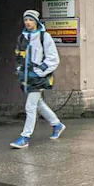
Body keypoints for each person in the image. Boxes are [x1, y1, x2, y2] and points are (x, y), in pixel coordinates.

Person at [11, 10, 65, 149]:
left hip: (39, 78)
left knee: (30, 106)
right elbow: (18, 56)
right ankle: (56, 124)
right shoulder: (22, 37)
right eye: (26, 20)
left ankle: (25, 137)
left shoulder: (44, 37)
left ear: (36, 21)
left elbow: (53, 59)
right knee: (38, 104)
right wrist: (19, 71)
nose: (28, 22)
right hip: (27, 78)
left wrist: (39, 71)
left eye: (30, 20)